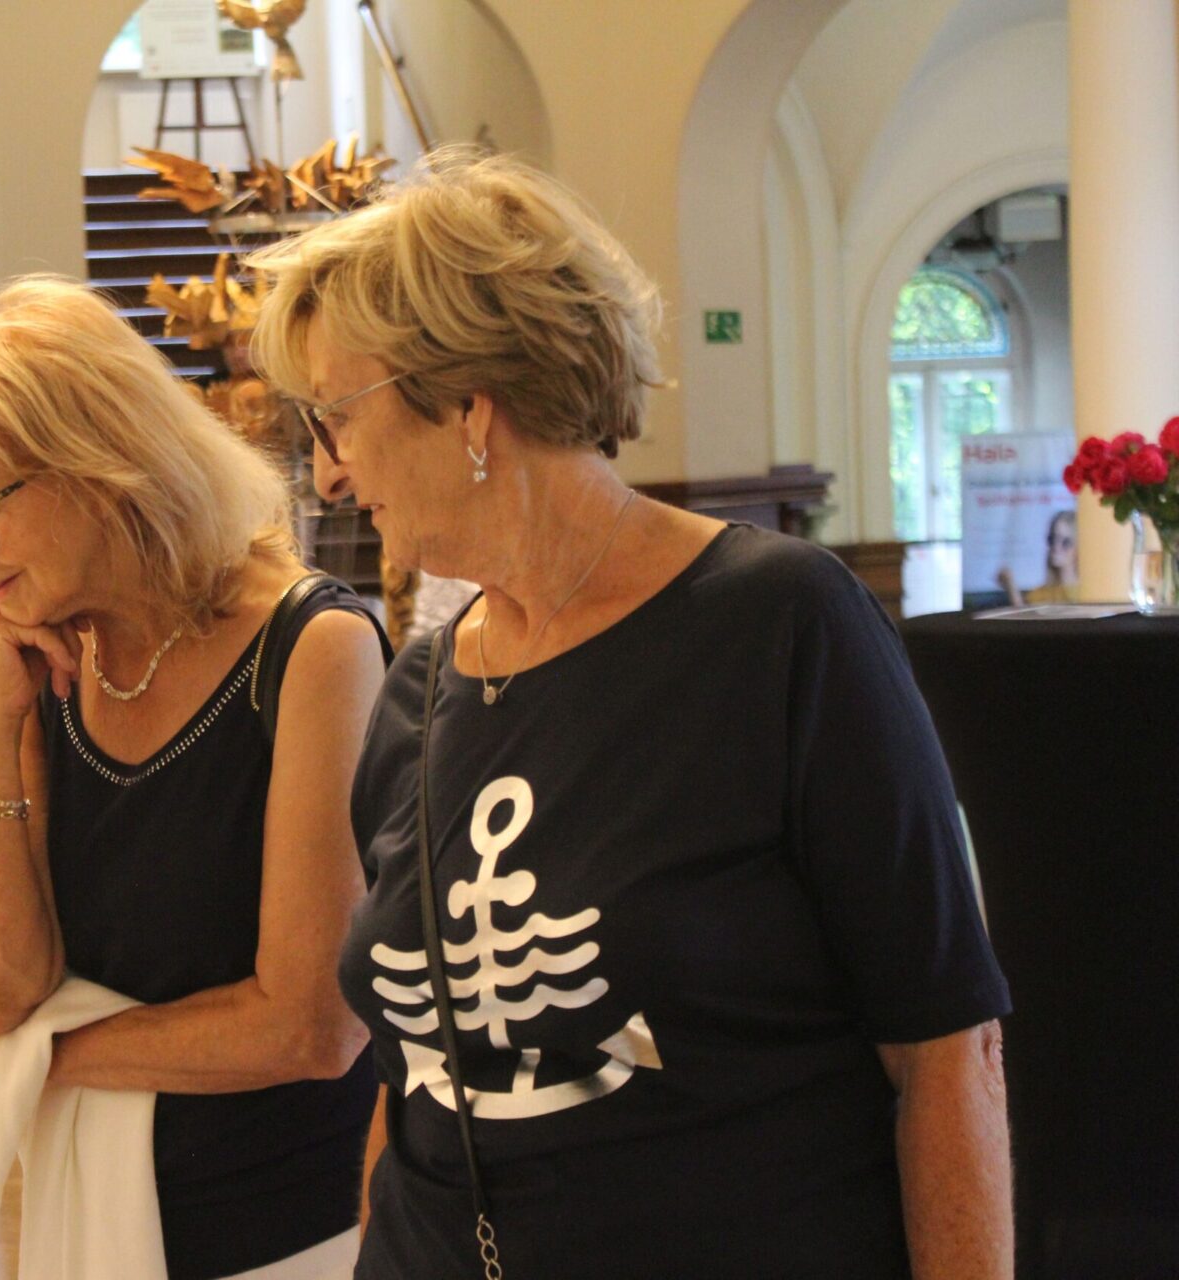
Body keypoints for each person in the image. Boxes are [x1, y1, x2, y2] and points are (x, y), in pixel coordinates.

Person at [247, 149, 1013, 1279]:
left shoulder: (779, 626)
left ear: (467, 404)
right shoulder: (419, 690)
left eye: (334, 418)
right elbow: (416, 1075)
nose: (329, 474)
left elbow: (946, 1049)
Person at [0, 276, 389, 1280]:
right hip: (93, 1213)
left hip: (282, 1235)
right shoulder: (46, 652)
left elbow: (312, 1024)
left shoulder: (313, 646)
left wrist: (36, 1061)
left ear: (93, 462)